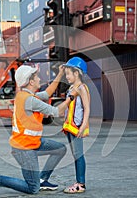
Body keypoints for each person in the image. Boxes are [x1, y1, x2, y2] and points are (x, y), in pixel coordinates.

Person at [0, 64, 78, 195]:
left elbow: (47, 93)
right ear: (31, 81)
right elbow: (56, 111)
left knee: (60, 149)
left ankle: (42, 179)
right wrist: (71, 97)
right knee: (32, 188)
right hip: (24, 149)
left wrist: (60, 74)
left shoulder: (25, 95)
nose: (40, 79)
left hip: (32, 142)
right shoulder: (30, 100)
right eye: (37, 76)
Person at [62, 57, 90, 194]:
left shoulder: (82, 88)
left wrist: (83, 125)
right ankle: (79, 181)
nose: (66, 76)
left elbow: (87, 108)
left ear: (77, 73)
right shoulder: (72, 88)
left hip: (77, 127)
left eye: (68, 73)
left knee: (79, 155)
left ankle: (81, 184)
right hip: (70, 127)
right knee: (75, 155)